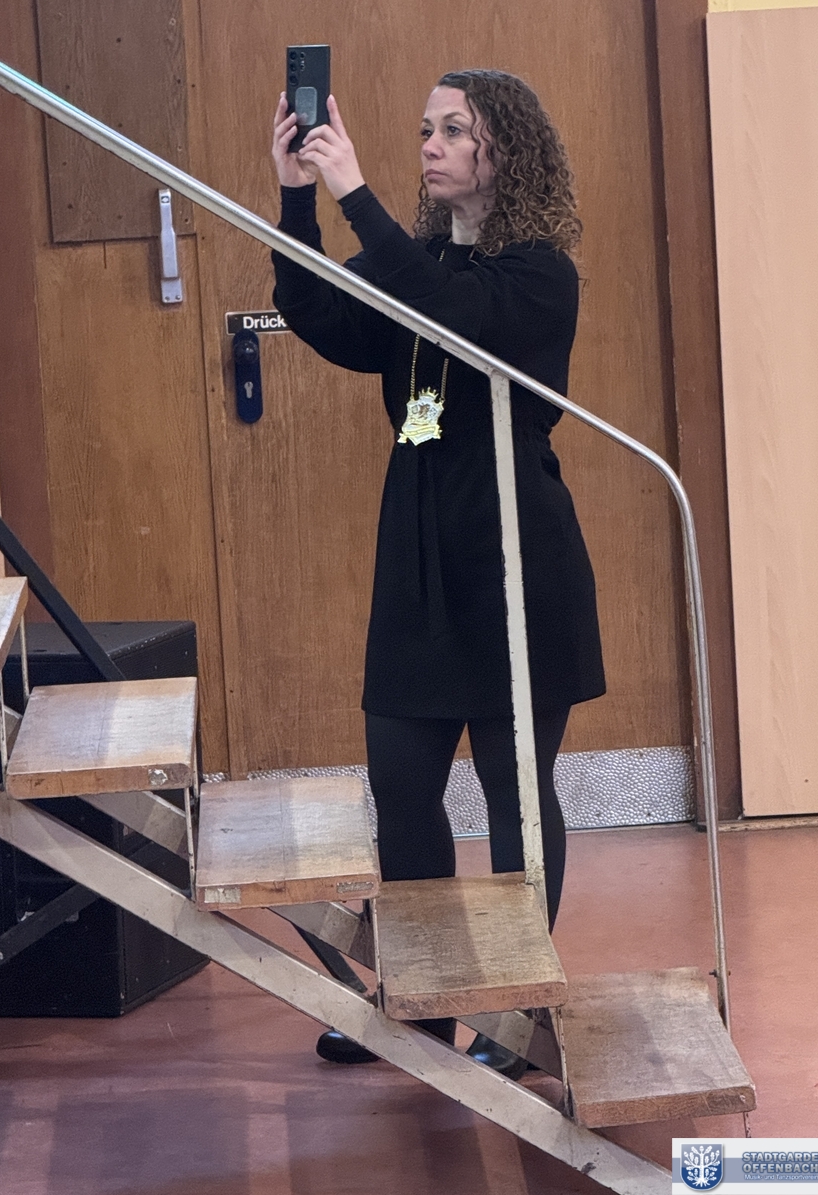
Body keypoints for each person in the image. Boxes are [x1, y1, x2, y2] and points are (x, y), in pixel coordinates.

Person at [271, 69, 605, 1077]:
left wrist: (354, 193)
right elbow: (319, 313)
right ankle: (420, 1005)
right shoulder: (417, 263)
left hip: (514, 556)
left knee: (515, 793)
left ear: (508, 151)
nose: (430, 144)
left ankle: (515, 1010)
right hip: (418, 556)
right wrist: (297, 195)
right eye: (425, 128)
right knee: (402, 787)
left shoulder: (539, 274)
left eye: (454, 129)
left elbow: (453, 308)